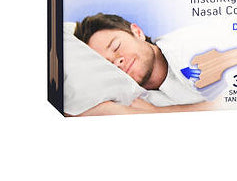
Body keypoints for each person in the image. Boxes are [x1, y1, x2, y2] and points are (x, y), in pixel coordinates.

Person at [71, 13, 212, 116]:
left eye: (116, 46)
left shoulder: (191, 47)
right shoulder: (133, 99)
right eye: (108, 64)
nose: (117, 61)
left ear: (137, 32)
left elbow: (225, 101)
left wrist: (157, 112)